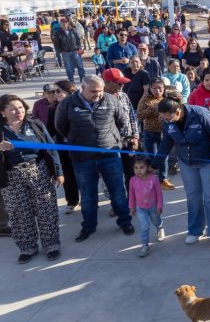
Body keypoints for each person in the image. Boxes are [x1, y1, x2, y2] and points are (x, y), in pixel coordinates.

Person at [55, 75, 134, 242]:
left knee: (118, 192)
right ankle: (89, 226)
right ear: (82, 88)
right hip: (82, 159)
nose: (98, 94)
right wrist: (77, 140)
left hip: (110, 155)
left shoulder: (110, 100)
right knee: (88, 195)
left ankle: (125, 221)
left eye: (100, 90)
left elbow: (122, 122)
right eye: (93, 91)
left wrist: (116, 140)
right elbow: (60, 127)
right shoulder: (67, 103)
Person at [154, 91, 210, 248]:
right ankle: (194, 230)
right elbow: (166, 144)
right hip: (186, 162)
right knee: (193, 197)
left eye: (168, 118)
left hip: (207, 161)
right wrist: (154, 164)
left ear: (178, 111)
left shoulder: (200, 114)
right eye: (163, 118)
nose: (166, 121)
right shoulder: (167, 122)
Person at [0, 94, 64, 263]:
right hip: (11, 177)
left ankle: (51, 245)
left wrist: (58, 171)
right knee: (19, 213)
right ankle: (27, 248)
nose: (18, 111)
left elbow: (50, 148)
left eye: (20, 107)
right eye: (12, 109)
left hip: (38, 171)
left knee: (46, 209)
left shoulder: (34, 124)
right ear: (2, 112)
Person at [45, 81, 79, 213]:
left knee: (83, 175)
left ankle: (90, 201)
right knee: (68, 175)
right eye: (53, 92)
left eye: (58, 91)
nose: (55, 94)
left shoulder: (78, 105)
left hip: (80, 146)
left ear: (69, 91)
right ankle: (71, 201)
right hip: (63, 147)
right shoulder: (53, 108)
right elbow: (49, 130)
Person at [136, 78, 175, 190]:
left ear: (164, 88)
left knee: (163, 157)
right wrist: (152, 109)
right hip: (150, 133)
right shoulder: (145, 99)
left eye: (160, 88)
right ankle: (150, 180)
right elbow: (139, 116)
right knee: (151, 157)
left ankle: (163, 180)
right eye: (154, 88)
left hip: (164, 134)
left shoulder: (167, 98)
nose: (157, 90)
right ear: (150, 88)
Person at [128, 157, 164, 258]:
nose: (138, 170)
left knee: (156, 221)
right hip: (140, 208)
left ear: (148, 168)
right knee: (144, 226)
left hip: (153, 207)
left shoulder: (154, 179)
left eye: (141, 167)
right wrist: (132, 207)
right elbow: (131, 194)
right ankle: (145, 245)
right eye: (136, 168)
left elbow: (159, 194)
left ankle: (160, 227)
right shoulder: (133, 180)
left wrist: (159, 206)